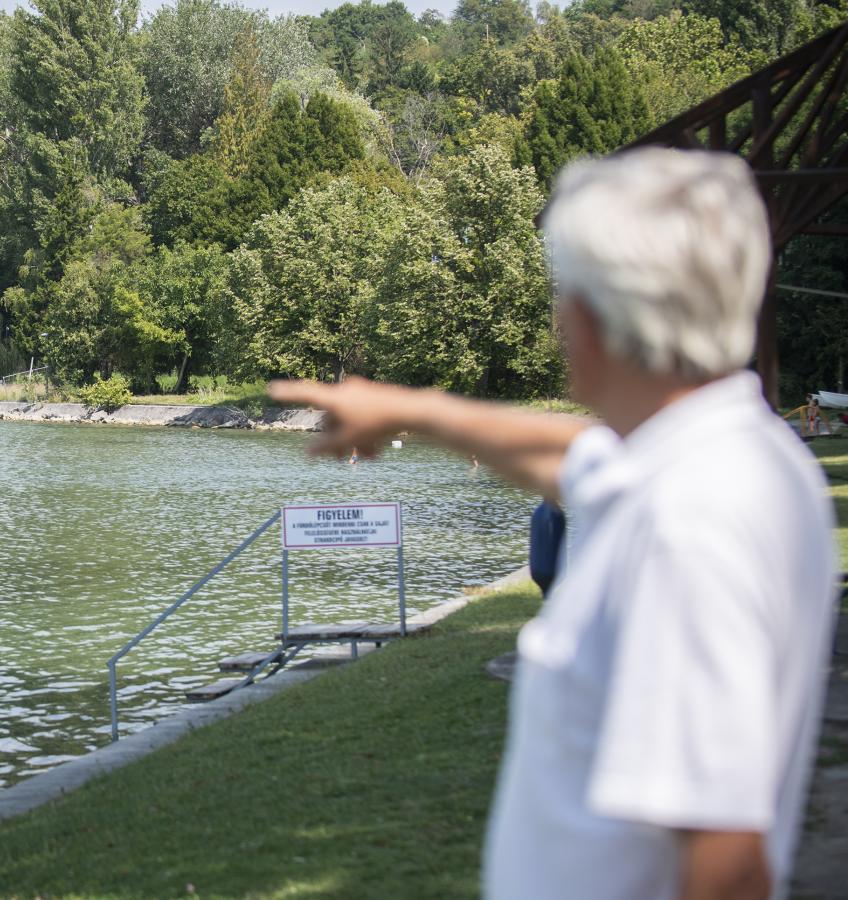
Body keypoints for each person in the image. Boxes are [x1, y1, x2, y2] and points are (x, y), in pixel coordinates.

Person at [270, 148, 837, 900]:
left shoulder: (689, 524)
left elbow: (727, 866)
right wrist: (412, 411)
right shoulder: (735, 452)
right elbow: (573, 457)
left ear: (588, 317)